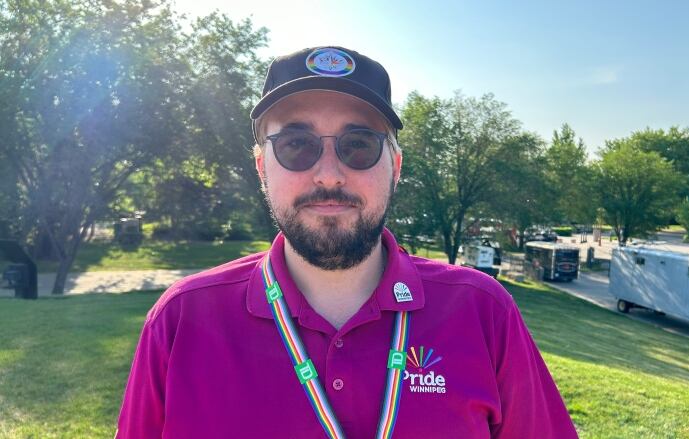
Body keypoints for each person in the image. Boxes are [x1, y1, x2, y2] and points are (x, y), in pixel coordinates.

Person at [116, 46, 578, 438]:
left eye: (359, 145)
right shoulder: (179, 321)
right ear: (262, 167)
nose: (329, 173)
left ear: (395, 167)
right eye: (297, 144)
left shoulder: (484, 313)